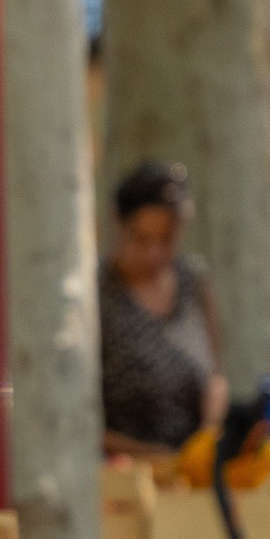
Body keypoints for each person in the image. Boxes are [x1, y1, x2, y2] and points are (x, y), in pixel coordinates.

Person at [98, 161, 230, 455]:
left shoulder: (193, 280)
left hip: (191, 464)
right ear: (118, 223)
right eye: (140, 239)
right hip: (124, 467)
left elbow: (215, 376)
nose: (153, 254)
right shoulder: (97, 293)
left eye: (166, 239)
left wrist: (207, 436)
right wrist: (154, 457)